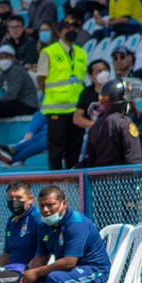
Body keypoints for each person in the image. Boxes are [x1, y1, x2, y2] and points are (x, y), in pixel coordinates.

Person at [19, 186, 112, 283]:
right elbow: (41, 256)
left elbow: (69, 262)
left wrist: (36, 272)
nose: (46, 210)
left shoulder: (76, 223)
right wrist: (29, 273)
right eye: (42, 206)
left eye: (50, 205)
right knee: (25, 278)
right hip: (68, 272)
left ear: (64, 204)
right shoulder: (44, 225)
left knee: (55, 279)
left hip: (95, 271)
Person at [37, 17, 88, 169]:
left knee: (74, 149)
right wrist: (52, 94)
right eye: (67, 28)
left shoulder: (81, 53)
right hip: (56, 109)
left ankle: (73, 183)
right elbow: (41, 79)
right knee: (56, 151)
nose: (71, 30)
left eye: (74, 28)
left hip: (76, 110)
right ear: (59, 32)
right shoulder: (49, 52)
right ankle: (56, 185)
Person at [83, 79, 142, 167]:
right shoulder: (124, 123)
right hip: (122, 179)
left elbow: (90, 160)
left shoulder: (95, 126)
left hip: (99, 179)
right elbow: (134, 159)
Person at [0, 44, 40, 136]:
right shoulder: (3, 73)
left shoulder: (17, 71)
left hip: (28, 105)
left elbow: (11, 95)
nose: (2, 60)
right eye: (0, 58)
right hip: (16, 104)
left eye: (5, 57)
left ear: (12, 58)